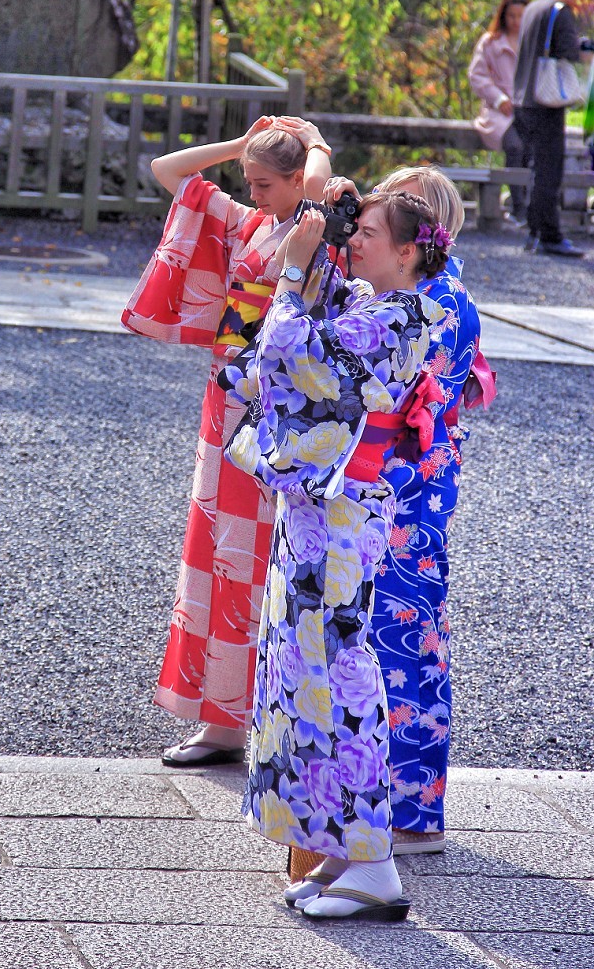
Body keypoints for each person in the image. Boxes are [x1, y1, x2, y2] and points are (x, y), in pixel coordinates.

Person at [221, 190, 450, 921]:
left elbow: (298, 354)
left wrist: (290, 279)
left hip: (344, 515)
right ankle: (338, 847)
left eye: (370, 233)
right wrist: (312, 253)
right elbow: (272, 353)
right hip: (317, 513)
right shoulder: (364, 299)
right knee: (298, 676)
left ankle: (374, 861)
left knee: (338, 677)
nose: (357, 243)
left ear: (408, 251)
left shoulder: (404, 314)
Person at [122, 116, 332, 765]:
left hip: (273, 406)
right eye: (250, 182)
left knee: (253, 555)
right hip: (224, 394)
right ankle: (218, 719)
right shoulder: (251, 224)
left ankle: (260, 717)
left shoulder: (311, 229)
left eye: (267, 183)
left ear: (299, 179)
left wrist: (315, 141)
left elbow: (317, 186)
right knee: (213, 550)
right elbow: (168, 172)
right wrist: (242, 146)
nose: (255, 192)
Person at [513, 0, 593, 257]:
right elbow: (571, 53)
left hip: (524, 97)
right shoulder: (559, 11)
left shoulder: (535, 6)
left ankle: (536, 231)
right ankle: (550, 234)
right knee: (550, 170)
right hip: (545, 100)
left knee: (538, 168)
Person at [468, 0, 531, 225]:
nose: (516, 21)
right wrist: (498, 98)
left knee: (532, 149)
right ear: (504, 15)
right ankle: (518, 206)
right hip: (498, 112)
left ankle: (528, 204)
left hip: (528, 109)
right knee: (514, 146)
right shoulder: (491, 42)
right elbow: (477, 76)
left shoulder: (531, 41)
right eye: (512, 16)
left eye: (521, 16)